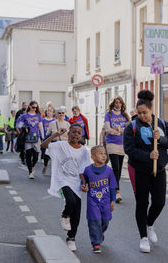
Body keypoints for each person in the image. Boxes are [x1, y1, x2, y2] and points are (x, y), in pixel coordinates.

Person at [123, 90, 168, 253]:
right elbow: (129, 149)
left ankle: (149, 224)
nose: (142, 116)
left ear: (151, 110)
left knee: (160, 202)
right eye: (139, 113)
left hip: (159, 169)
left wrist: (160, 138)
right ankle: (143, 238)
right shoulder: (131, 127)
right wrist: (148, 155)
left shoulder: (163, 124)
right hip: (140, 170)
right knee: (142, 203)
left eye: (145, 113)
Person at [42, 124, 90, 252]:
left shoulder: (84, 151)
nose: (75, 135)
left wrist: (85, 183)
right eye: (73, 132)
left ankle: (71, 238)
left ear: (81, 136)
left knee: (77, 214)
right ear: (68, 134)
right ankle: (64, 215)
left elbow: (83, 169)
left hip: (76, 182)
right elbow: (44, 146)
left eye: (78, 133)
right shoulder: (60, 145)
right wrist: (56, 135)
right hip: (62, 180)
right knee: (71, 201)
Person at [80, 145, 117, 253]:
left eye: (105, 153)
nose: (104, 155)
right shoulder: (87, 170)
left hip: (105, 202)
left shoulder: (109, 171)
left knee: (106, 221)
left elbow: (113, 186)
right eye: (100, 153)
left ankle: (100, 232)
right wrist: (83, 187)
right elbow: (83, 183)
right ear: (92, 157)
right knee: (94, 221)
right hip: (93, 202)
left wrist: (112, 201)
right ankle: (96, 243)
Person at [104, 96, 130, 202]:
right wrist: (119, 130)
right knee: (116, 168)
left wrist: (118, 129)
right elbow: (108, 129)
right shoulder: (108, 114)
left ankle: (113, 188)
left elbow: (128, 128)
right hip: (112, 143)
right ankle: (117, 192)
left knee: (118, 171)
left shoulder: (125, 115)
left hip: (122, 144)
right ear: (113, 104)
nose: (118, 104)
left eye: (120, 102)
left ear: (122, 104)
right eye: (116, 102)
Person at [16, 101, 43, 179]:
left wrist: (43, 137)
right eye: (33, 107)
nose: (34, 109)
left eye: (36, 107)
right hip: (27, 137)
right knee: (28, 154)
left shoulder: (38, 116)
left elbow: (40, 127)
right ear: (30, 107)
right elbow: (19, 125)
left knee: (36, 156)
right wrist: (24, 127)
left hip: (36, 137)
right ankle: (30, 172)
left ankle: (33, 165)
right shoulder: (24, 115)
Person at [41, 107, 55, 174]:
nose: (49, 112)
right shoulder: (43, 120)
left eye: (50, 111)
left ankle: (54, 170)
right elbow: (41, 129)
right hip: (45, 139)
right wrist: (42, 138)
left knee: (53, 155)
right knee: (45, 155)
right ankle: (45, 165)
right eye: (48, 111)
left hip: (53, 140)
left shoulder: (55, 121)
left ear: (53, 113)